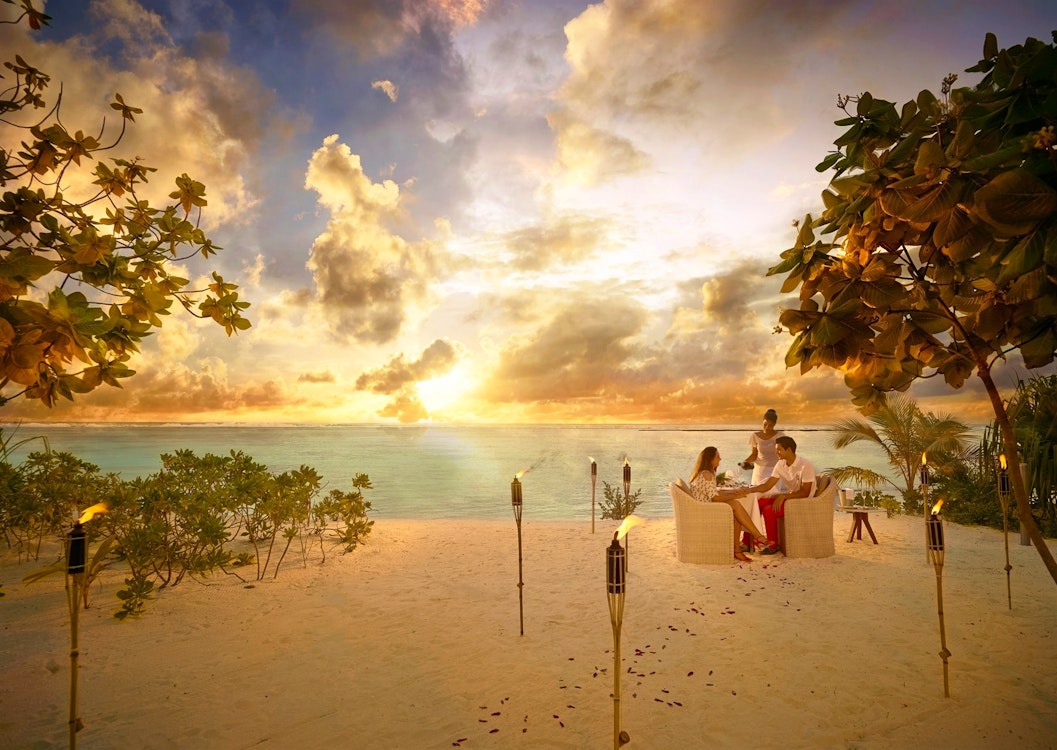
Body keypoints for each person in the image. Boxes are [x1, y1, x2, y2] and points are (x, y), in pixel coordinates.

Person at [690, 446, 780, 561]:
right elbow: (715, 498)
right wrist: (734, 495)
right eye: (717, 456)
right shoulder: (706, 474)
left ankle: (737, 550)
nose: (720, 459)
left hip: (706, 508)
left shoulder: (703, 473)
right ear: (710, 458)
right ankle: (758, 537)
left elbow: (715, 493)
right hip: (706, 511)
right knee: (735, 505)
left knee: (735, 509)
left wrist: (734, 494)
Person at [746, 436, 816, 551]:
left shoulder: (805, 465)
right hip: (790, 497)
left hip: (803, 501)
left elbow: (805, 492)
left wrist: (783, 496)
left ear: (788, 449)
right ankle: (748, 542)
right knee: (757, 503)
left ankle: (773, 545)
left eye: (779, 449)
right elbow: (767, 486)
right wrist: (749, 490)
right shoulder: (780, 464)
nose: (776, 452)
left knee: (769, 510)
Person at [740, 409, 785, 485]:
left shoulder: (780, 436)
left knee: (772, 495)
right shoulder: (755, 436)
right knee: (756, 494)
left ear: (774, 424)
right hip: (759, 471)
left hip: (775, 471)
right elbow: (754, 454)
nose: (767, 427)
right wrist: (745, 462)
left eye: (770, 425)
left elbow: (784, 454)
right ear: (762, 421)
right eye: (765, 424)